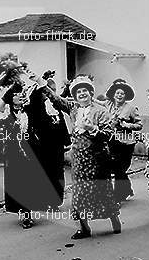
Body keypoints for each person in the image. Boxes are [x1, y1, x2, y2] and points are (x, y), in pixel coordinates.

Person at [42, 75, 122, 239]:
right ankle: (83, 228)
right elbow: (55, 98)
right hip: (78, 158)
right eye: (78, 92)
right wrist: (40, 82)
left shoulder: (101, 111)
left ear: (91, 93)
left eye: (85, 90)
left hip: (97, 159)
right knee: (79, 193)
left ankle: (114, 219)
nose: (82, 94)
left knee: (102, 191)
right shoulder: (73, 108)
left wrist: (92, 128)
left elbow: (108, 135)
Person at [0, 71, 69, 229]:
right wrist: (9, 101)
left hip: (33, 147)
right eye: (17, 96)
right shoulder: (9, 100)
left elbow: (45, 96)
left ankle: (31, 210)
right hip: (14, 150)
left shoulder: (33, 100)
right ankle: (24, 213)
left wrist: (38, 80)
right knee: (17, 181)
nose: (20, 97)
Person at [105, 79, 142, 202]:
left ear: (125, 96)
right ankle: (121, 194)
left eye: (122, 94)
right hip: (112, 141)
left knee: (121, 168)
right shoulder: (108, 105)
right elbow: (95, 102)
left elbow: (139, 125)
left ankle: (122, 192)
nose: (119, 95)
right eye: (117, 93)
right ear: (113, 94)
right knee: (117, 169)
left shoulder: (131, 108)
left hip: (126, 143)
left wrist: (127, 125)